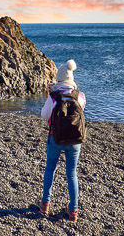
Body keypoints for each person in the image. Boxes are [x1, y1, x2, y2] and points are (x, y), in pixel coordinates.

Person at [39, 59, 86, 222]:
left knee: (50, 169)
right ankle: (73, 210)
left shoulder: (53, 97)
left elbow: (44, 115)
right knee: (72, 173)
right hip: (75, 140)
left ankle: (45, 204)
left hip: (56, 138)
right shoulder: (79, 96)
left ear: (58, 79)